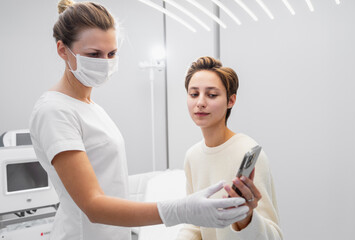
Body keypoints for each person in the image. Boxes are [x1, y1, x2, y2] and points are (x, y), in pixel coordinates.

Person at [28, 1, 250, 240]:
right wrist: (183, 209)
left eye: (111, 53)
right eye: (93, 54)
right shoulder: (54, 111)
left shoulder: (91, 108)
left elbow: (106, 177)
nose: (104, 61)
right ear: (63, 50)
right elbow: (93, 205)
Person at [176, 57, 283, 239]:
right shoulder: (192, 156)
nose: (200, 102)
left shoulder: (247, 152)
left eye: (211, 95)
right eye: (194, 94)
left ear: (231, 101)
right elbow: (194, 223)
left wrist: (246, 218)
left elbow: (274, 235)